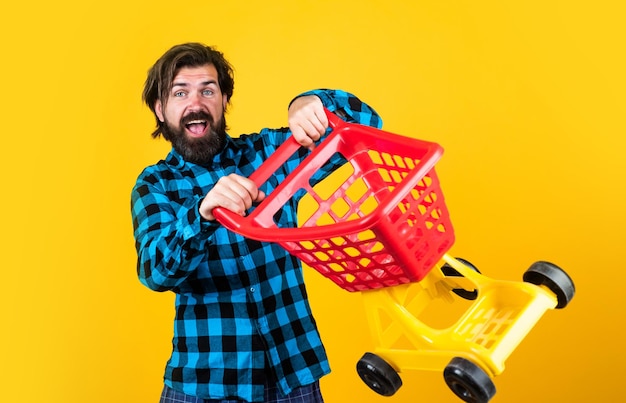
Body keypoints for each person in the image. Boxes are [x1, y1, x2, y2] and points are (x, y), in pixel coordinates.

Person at [131, 42, 382, 403]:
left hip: (292, 374)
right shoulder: (155, 185)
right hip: (205, 384)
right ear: (160, 109)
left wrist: (309, 103)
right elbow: (155, 271)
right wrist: (202, 212)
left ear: (224, 100)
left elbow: (367, 125)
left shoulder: (270, 154)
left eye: (208, 89)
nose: (195, 103)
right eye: (179, 92)